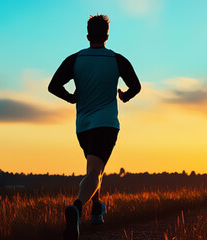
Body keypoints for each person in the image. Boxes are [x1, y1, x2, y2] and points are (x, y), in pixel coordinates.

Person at [47, 14, 141, 240]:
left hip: (83, 126)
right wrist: (125, 96)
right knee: (95, 172)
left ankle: (97, 210)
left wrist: (71, 98)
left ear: (88, 35)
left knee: (93, 170)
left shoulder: (75, 59)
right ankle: (76, 209)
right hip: (107, 124)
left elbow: (53, 86)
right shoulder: (117, 60)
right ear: (107, 36)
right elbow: (136, 86)